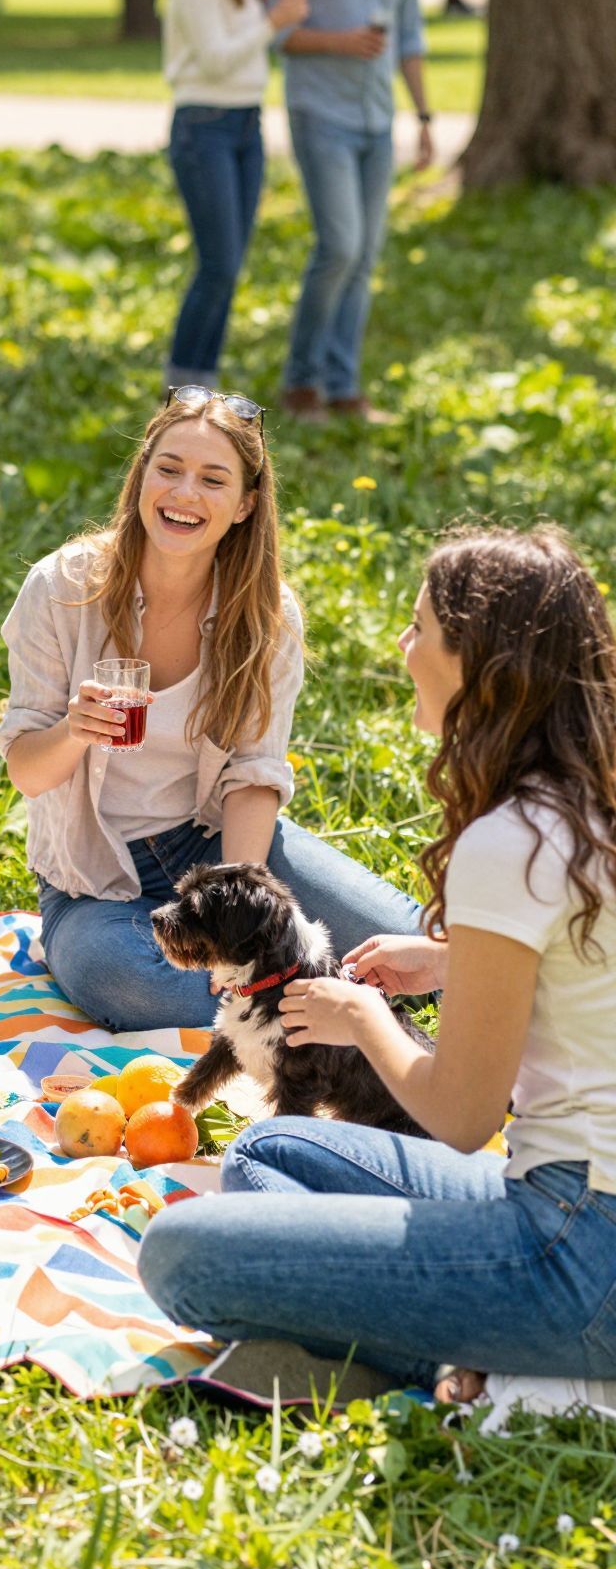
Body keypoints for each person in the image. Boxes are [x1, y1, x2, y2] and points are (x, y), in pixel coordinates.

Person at [140, 525, 616, 1403]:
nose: (402, 648)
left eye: (419, 629)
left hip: (578, 1248)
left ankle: (501, 1371)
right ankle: (444, 1336)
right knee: (273, 1146)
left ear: (478, 663)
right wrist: (446, 961)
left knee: (180, 1255)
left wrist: (360, 1017)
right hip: (571, 1203)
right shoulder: (588, 806)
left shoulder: (507, 840)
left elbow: (466, 1116)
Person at [0, 388, 420, 1034]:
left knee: (410, 943)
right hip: (95, 875)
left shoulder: (267, 614)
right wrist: (73, 731)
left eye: (212, 479)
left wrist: (234, 904)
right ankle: (323, 1009)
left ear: (246, 503)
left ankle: (297, 1003)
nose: (184, 494)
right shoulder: (62, 588)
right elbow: (27, 771)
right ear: (142, 474)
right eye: (168, 469)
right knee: (132, 984)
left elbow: (254, 774)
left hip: (219, 847)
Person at [265, 0, 433, 423]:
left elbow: (409, 34)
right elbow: (271, 31)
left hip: (377, 120)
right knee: (339, 246)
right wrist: (340, 41)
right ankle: (300, 383)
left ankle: (344, 388)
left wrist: (424, 115)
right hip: (320, 113)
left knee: (365, 256)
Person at [161, 0, 308, 389]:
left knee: (228, 268)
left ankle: (201, 384)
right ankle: (181, 390)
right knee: (218, 265)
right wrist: (275, 20)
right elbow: (217, 57)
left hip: (245, 125)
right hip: (206, 125)